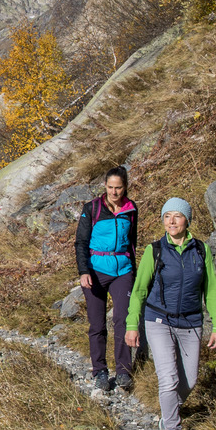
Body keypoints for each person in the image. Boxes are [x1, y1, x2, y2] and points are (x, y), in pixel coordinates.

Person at [125, 197, 216, 430]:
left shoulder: (201, 250)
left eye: (177, 216)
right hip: (158, 320)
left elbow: (212, 290)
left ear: (187, 220)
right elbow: (139, 291)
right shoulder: (154, 250)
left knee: (188, 380)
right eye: (167, 216)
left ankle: (167, 415)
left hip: (191, 322)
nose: (171, 221)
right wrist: (132, 324)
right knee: (168, 379)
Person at [75, 166, 138, 393]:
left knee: (123, 319)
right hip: (95, 270)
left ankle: (123, 371)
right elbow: (81, 242)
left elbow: (132, 242)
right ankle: (100, 370)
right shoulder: (91, 208)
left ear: (125, 187)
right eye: (110, 187)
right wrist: (84, 271)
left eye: (118, 187)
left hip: (123, 270)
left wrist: (135, 272)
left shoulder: (131, 209)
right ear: (105, 186)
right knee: (97, 323)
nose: (114, 192)